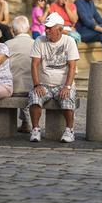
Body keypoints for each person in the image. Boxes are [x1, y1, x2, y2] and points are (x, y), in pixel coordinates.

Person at [28, 13, 80, 143]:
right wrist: (37, 85)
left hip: (63, 84)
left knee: (67, 98)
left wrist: (67, 86)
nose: (46, 30)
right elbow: (34, 64)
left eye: (50, 28)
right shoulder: (39, 40)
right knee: (35, 96)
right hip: (44, 84)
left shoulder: (69, 41)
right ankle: (35, 129)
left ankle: (69, 130)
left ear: (60, 30)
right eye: (46, 27)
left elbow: (72, 67)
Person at [6, 16, 35, 133]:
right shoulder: (36, 44)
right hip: (34, 88)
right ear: (29, 29)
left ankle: (25, 123)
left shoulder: (7, 44)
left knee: (17, 78)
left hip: (13, 88)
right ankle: (25, 123)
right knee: (26, 79)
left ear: (12, 30)